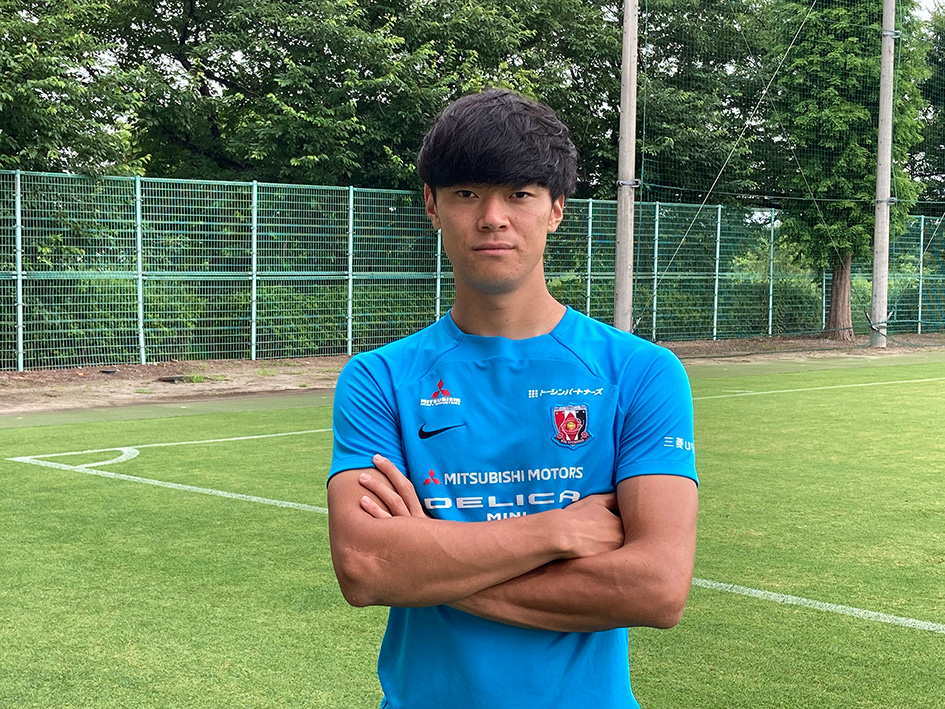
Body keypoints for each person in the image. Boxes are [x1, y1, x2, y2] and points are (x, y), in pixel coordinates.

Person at [327, 89, 698, 709]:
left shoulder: (642, 372)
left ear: (556, 209)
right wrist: (559, 530)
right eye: (466, 193)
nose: (492, 217)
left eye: (520, 194)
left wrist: (428, 561)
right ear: (432, 205)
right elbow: (366, 568)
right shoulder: (378, 379)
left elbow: (656, 589)